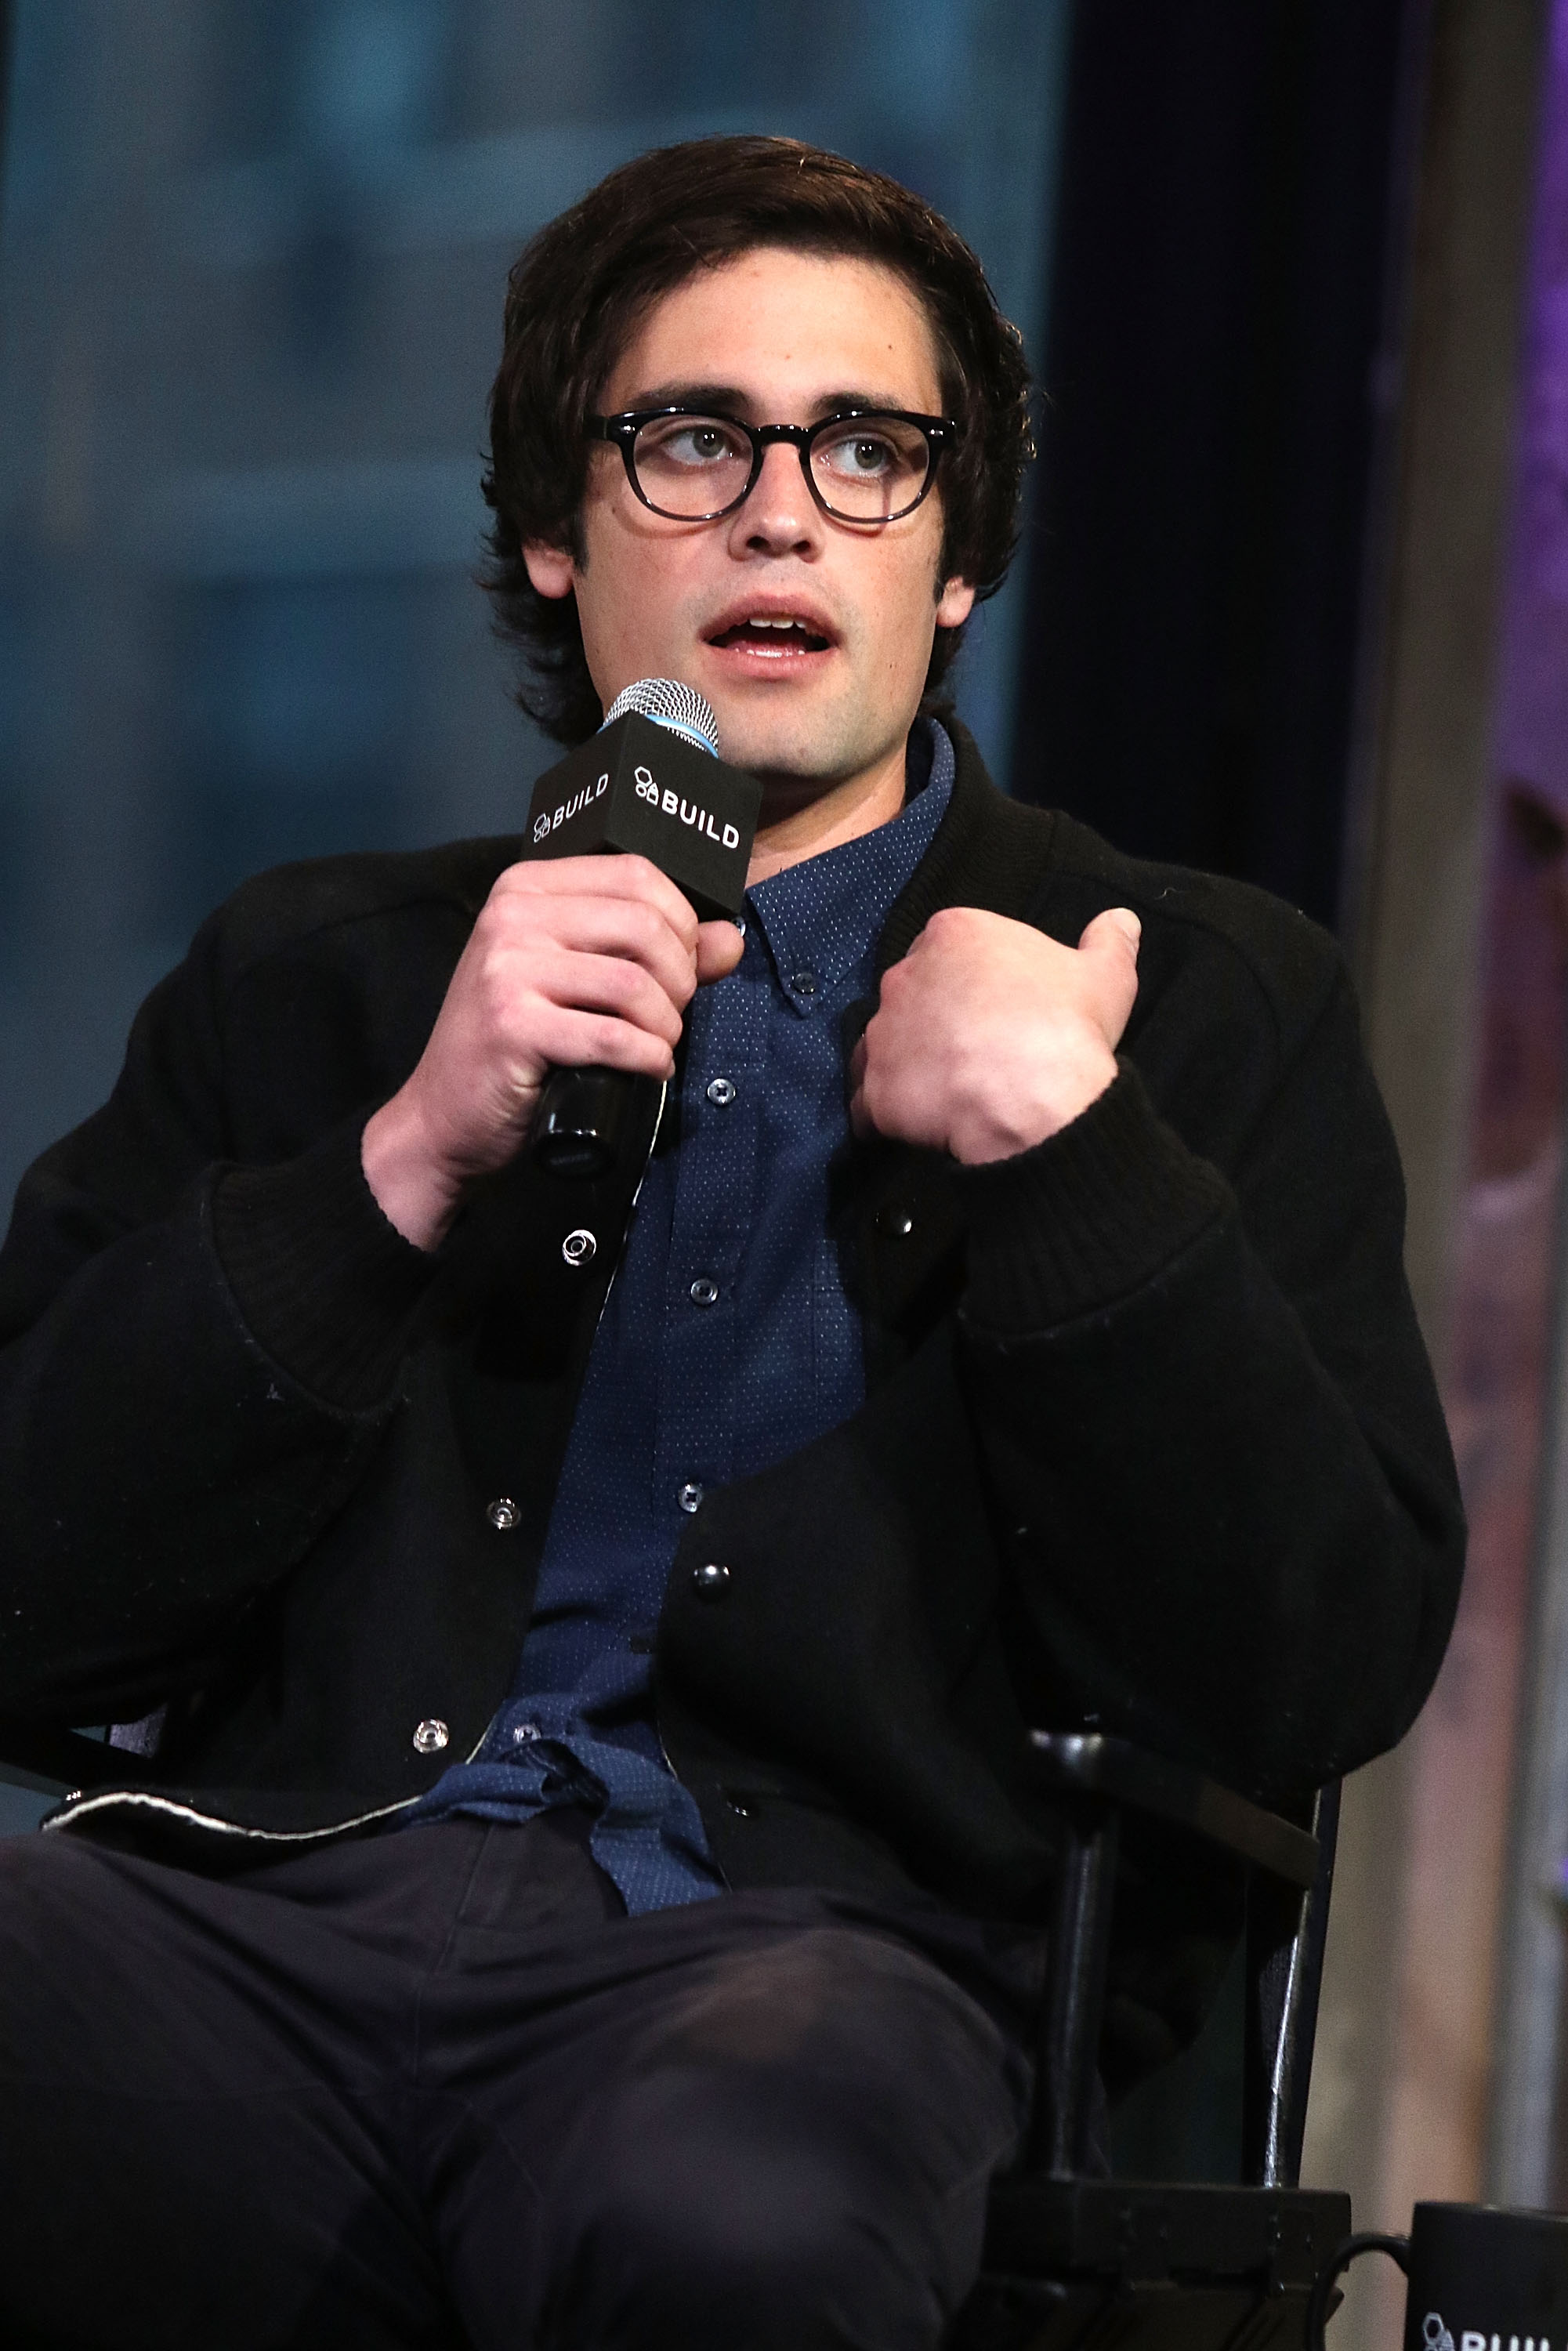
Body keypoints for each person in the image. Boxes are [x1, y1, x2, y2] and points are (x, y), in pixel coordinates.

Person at [0, 136, 1462, 2351]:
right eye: (692, 441)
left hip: (800, 1969)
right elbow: (29, 1591)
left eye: (869, 451)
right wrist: (393, 1168)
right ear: (548, 533)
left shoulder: (1185, 996)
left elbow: (1310, 1669)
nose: (781, 509)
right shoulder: (321, 978)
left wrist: (1070, 1157)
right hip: (263, 1915)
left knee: (733, 2202)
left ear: (952, 558)